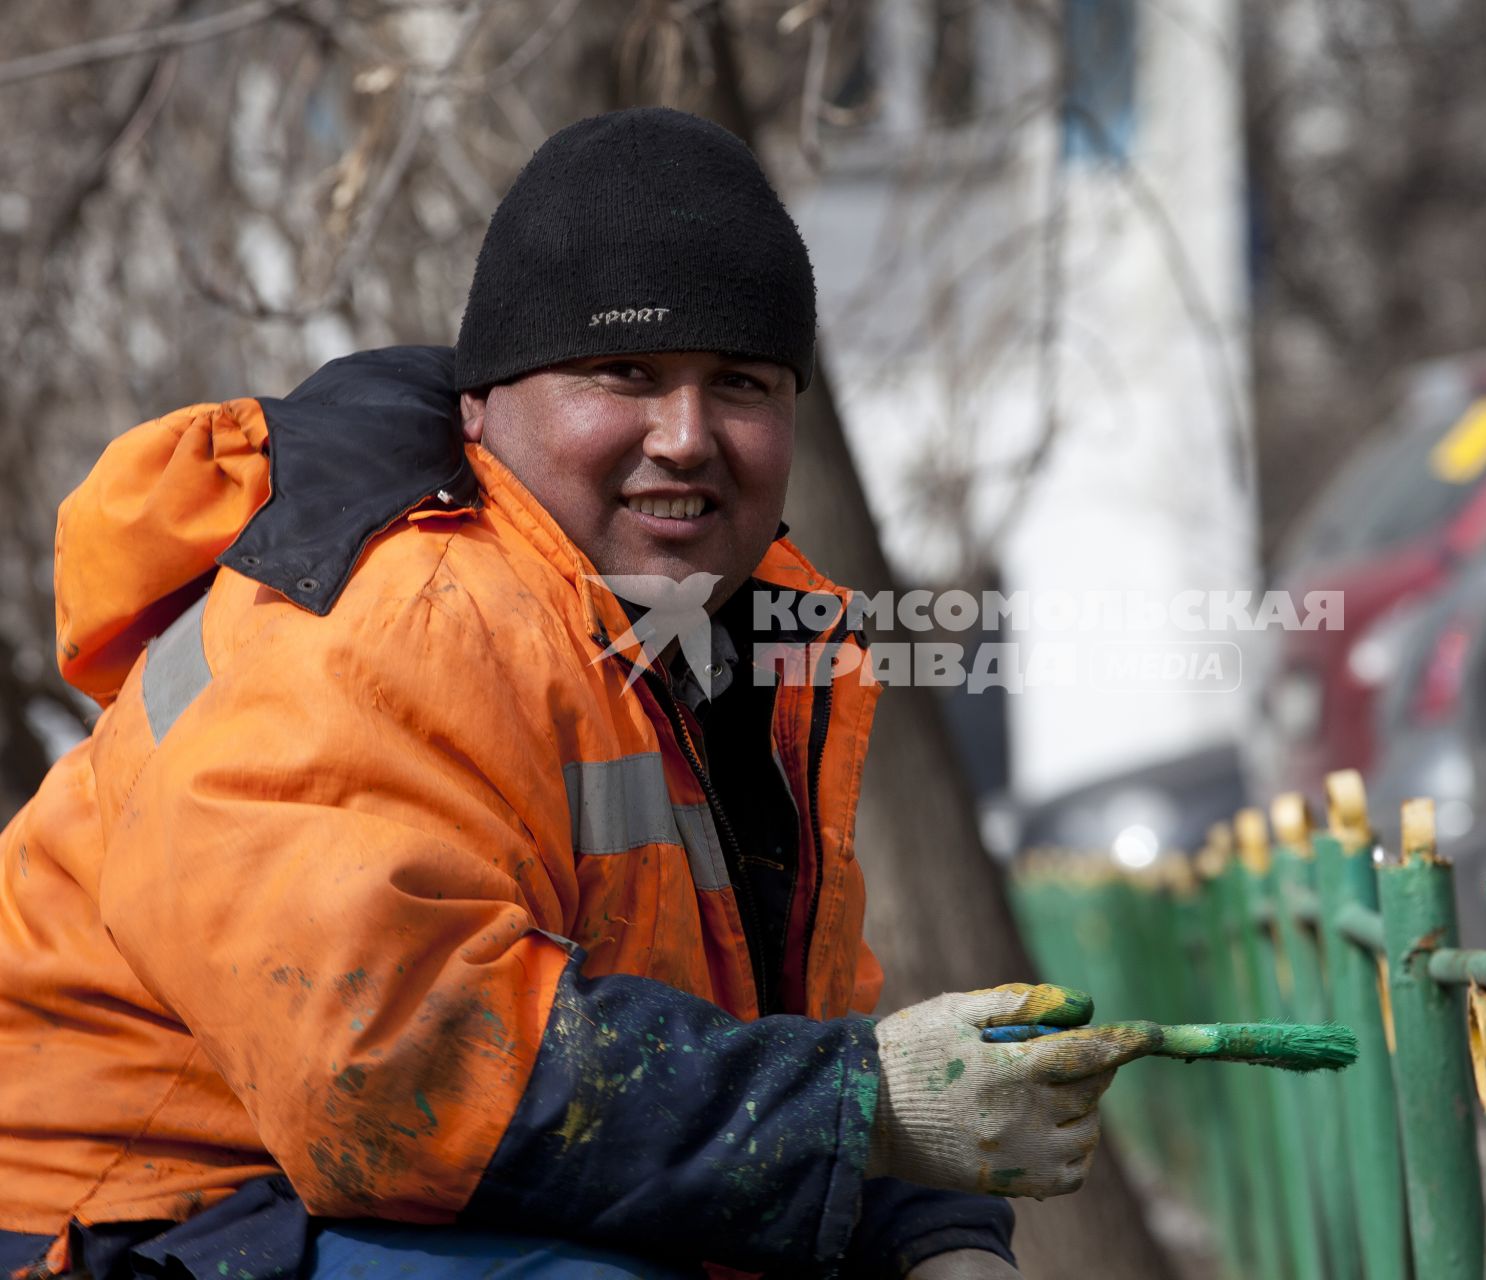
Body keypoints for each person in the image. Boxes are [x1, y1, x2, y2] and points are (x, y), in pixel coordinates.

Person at [0, 108, 1152, 1280]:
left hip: (340, 1202)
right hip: (118, 1227)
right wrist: (865, 1104)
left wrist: (928, 1235)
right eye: (627, 373)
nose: (689, 435)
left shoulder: (716, 651)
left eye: (741, 382)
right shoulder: (401, 612)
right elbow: (395, 1071)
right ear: (483, 406)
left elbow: (763, 1043)